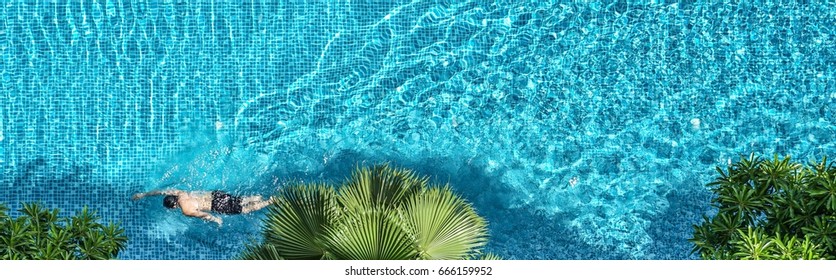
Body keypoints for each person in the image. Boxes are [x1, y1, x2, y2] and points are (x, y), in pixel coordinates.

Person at [132, 189, 274, 226]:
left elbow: (204, 215)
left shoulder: (186, 210)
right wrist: (144, 194)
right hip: (215, 195)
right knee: (240, 200)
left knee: (244, 209)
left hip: (216, 205)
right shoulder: (179, 193)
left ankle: (269, 202)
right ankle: (256, 197)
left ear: (174, 206)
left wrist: (216, 220)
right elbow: (160, 192)